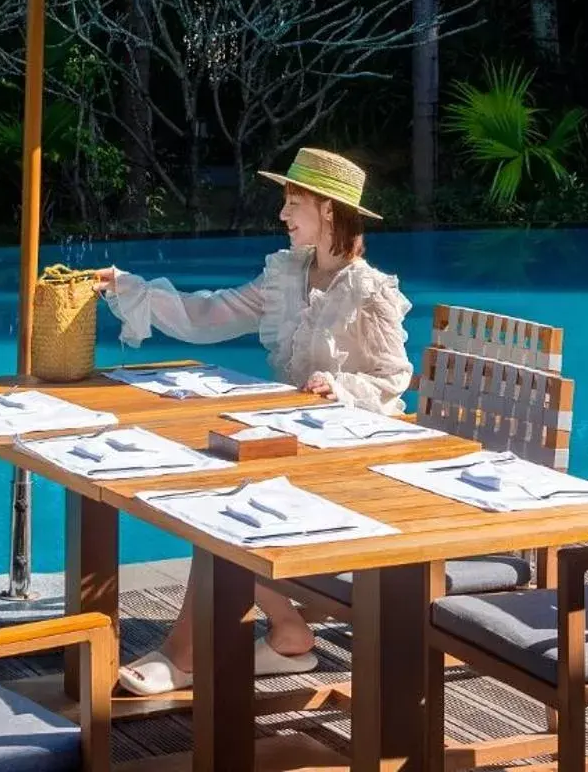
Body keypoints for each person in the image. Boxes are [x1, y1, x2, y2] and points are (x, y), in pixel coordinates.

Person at [93, 146, 411, 696]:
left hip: (359, 454)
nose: (283, 215)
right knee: (211, 495)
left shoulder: (370, 290)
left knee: (221, 506)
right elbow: (209, 313)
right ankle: (288, 632)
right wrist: (128, 286)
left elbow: (392, 380)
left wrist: (338, 388)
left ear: (328, 211)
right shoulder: (286, 275)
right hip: (296, 443)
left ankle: (185, 654)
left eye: (294, 203)